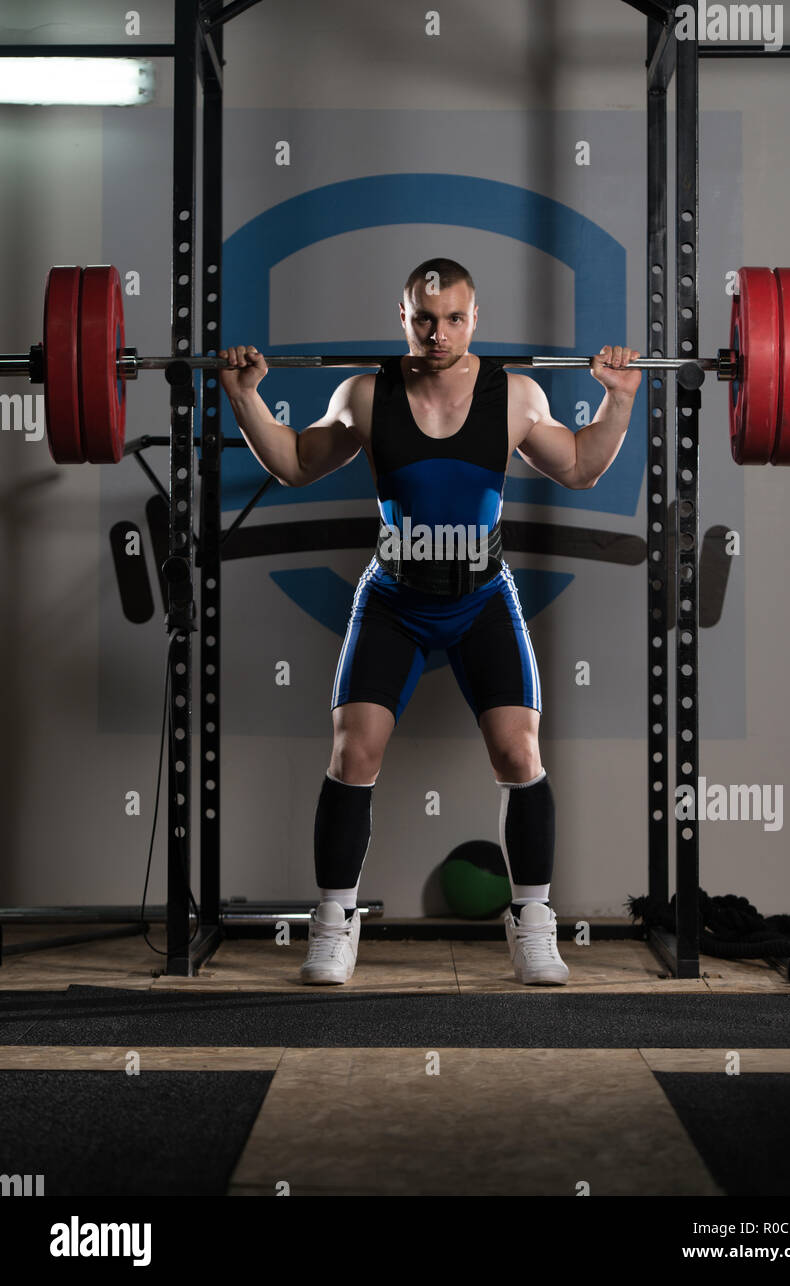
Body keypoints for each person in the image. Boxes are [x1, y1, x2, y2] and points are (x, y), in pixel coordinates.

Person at [219, 257, 641, 986]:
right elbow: (293, 463)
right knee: (354, 753)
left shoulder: (514, 395)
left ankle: (534, 924)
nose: (436, 332)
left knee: (518, 753)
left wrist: (620, 400)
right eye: (423, 317)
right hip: (395, 599)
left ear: (474, 319)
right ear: (402, 316)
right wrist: (244, 398)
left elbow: (578, 468)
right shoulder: (363, 393)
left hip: (482, 598)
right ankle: (333, 923)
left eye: (451, 318)